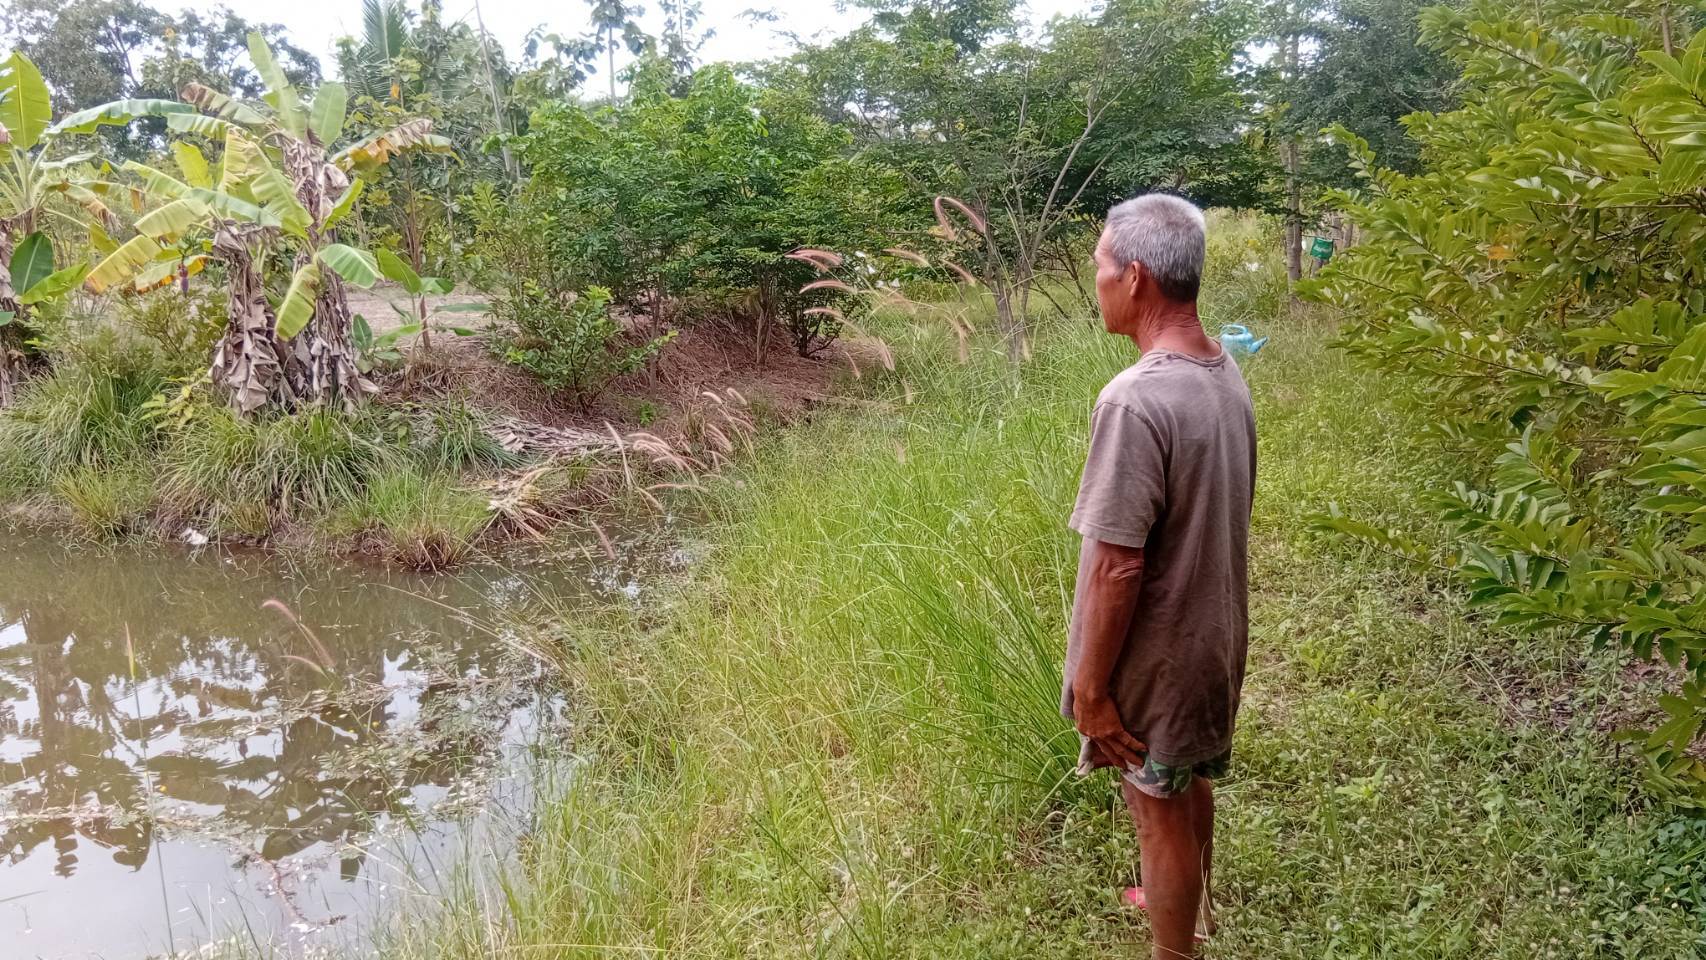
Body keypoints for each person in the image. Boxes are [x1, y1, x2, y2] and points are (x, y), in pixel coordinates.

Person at [1060, 194, 1256, 959]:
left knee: (1156, 811)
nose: (1098, 280)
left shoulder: (1135, 399)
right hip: (1213, 637)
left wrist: (1091, 689)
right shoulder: (1221, 370)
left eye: (1102, 265)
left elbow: (1117, 563)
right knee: (1185, 782)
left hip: (1161, 655)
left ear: (1136, 276)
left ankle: (1176, 947)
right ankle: (1191, 910)